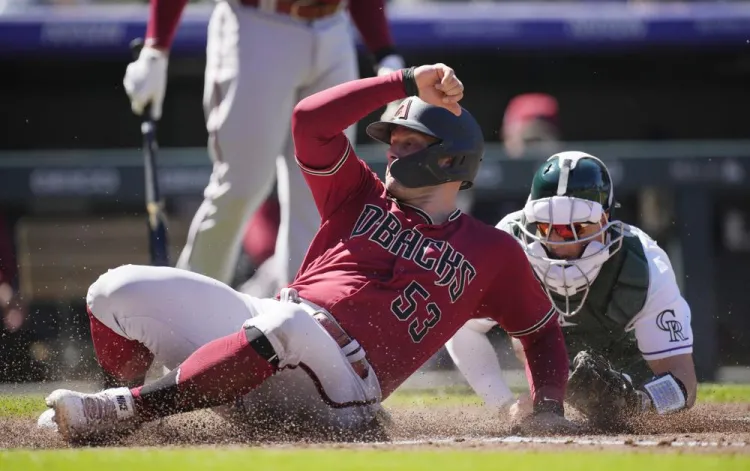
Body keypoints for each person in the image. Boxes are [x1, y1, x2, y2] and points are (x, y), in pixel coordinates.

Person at [40, 64, 576, 443]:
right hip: (266, 331)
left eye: (409, 142)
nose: (392, 148)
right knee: (115, 288)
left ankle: (128, 412)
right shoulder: (360, 192)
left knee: (291, 324)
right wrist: (406, 82)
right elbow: (308, 122)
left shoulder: (493, 250)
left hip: (342, 387)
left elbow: (541, 331)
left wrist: (548, 403)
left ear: (449, 160)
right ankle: (107, 412)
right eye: (394, 139)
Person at [123, 0, 406, 298]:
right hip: (257, 25)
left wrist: (384, 51)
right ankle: (186, 310)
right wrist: (156, 47)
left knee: (321, 195)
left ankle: (300, 318)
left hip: (335, 30)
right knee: (241, 186)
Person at [446, 151, 696, 431]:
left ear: (605, 221)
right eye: (546, 226)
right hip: (541, 369)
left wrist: (638, 402)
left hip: (634, 375)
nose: (559, 243)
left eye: (576, 228)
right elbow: (461, 327)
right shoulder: (507, 245)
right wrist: (505, 407)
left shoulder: (644, 265)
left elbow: (682, 379)